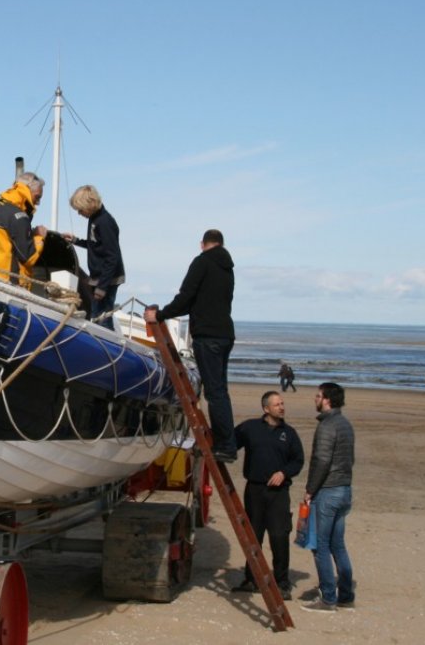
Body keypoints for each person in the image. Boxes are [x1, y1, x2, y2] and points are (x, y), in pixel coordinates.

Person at [144, 228, 237, 462]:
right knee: (220, 391)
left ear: (202, 244)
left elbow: (187, 296)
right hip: (225, 333)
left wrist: (161, 314)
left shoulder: (202, 262)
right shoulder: (227, 268)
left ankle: (226, 446)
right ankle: (226, 442)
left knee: (215, 393)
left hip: (208, 335)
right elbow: (199, 300)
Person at [230, 390, 304, 600]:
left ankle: (282, 582)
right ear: (266, 408)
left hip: (278, 493)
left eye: (282, 403)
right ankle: (251, 578)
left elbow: (298, 461)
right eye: (277, 404)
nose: (282, 407)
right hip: (254, 490)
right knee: (253, 535)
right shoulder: (250, 428)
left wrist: (283, 473)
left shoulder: (289, 433)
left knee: (279, 536)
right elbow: (230, 444)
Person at [301, 382, 356, 613]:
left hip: (329, 490)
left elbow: (322, 461)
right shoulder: (345, 424)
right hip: (344, 488)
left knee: (321, 546)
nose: (315, 399)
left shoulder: (328, 425)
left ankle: (328, 599)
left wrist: (310, 490)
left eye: (318, 396)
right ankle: (345, 595)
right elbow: (349, 459)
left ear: (327, 400)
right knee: (338, 545)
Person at [62, 185, 125, 327]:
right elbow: (95, 245)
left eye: (80, 209)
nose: (79, 213)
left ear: (88, 205)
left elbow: (112, 256)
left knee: (102, 318)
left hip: (107, 279)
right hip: (100, 277)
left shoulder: (104, 222)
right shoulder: (95, 219)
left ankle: (106, 347)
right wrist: (75, 241)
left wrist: (102, 287)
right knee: (97, 315)